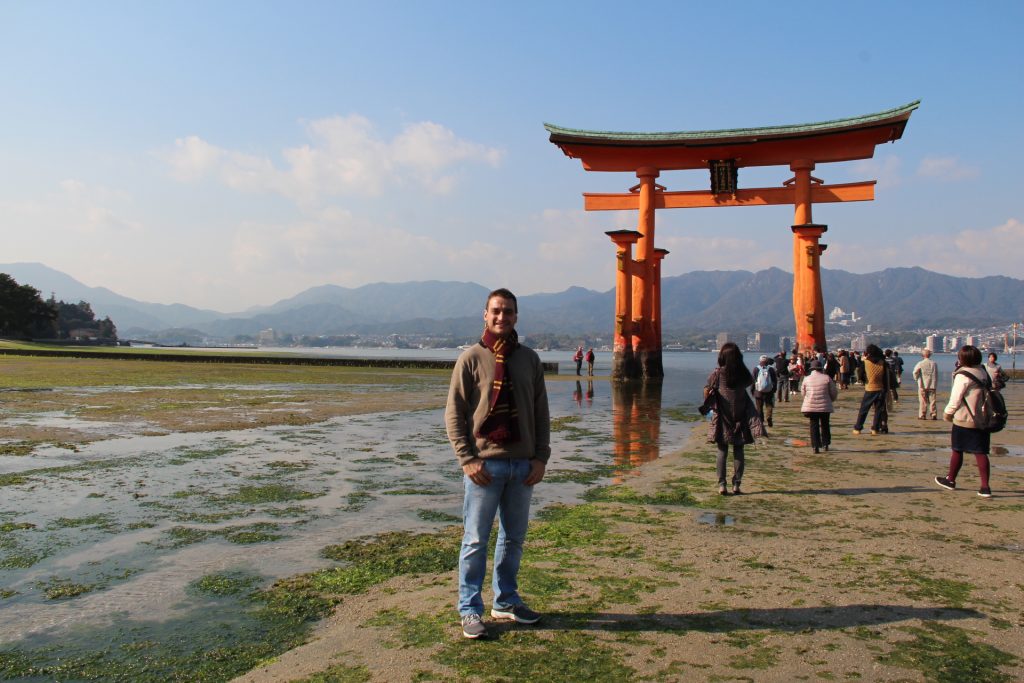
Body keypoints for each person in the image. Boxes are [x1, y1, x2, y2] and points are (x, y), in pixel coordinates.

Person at [445, 288, 550, 639]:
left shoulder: (529, 360)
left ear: (516, 316)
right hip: (484, 467)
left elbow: (540, 413)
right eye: (496, 311)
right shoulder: (471, 358)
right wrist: (467, 459)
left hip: (522, 465)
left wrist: (540, 457)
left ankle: (505, 601)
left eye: (508, 311)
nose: (502, 317)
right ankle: (469, 609)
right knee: (475, 539)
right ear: (485, 315)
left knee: (514, 538)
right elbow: (454, 414)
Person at [934, 345, 994, 498]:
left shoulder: (963, 375)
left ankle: (951, 479)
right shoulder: (983, 372)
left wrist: (947, 414)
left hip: (964, 418)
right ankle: (985, 486)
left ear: (963, 358)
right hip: (982, 418)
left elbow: (955, 398)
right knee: (981, 452)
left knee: (957, 449)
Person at [705, 342, 757, 496]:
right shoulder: (743, 374)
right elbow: (749, 382)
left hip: (722, 417)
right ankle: (737, 484)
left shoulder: (718, 373)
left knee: (722, 450)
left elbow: (708, 387)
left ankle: (722, 485)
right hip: (740, 415)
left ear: (722, 356)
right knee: (739, 450)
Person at [852, 344, 890, 435]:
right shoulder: (883, 362)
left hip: (869, 388)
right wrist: (886, 389)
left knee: (864, 409)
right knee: (878, 410)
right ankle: (875, 429)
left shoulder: (865, 362)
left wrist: (864, 380)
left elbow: (860, 374)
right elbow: (885, 377)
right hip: (880, 388)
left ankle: (858, 428)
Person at [801, 359, 837, 454]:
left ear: (811, 369)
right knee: (825, 424)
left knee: (813, 425)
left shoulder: (806, 379)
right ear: (820, 368)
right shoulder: (827, 378)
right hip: (825, 405)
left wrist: (808, 399)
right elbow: (833, 392)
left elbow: (803, 393)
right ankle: (826, 444)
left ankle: (815, 446)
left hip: (811, 406)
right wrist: (830, 400)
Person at [912, 349, 939, 420]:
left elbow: (915, 372)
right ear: (930, 355)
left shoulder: (920, 363)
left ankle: (922, 415)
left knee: (923, 400)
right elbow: (936, 374)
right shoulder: (934, 363)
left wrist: (916, 379)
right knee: (932, 400)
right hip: (932, 384)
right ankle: (933, 414)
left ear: (922, 355)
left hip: (922, 384)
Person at [752, 354, 777, 428]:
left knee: (759, 407)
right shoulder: (771, 369)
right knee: (769, 405)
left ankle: (761, 421)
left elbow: (753, 380)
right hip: (769, 391)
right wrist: (774, 389)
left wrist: (752, 390)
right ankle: (769, 417)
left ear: (760, 361)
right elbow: (774, 380)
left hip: (758, 392)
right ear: (767, 361)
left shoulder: (756, 369)